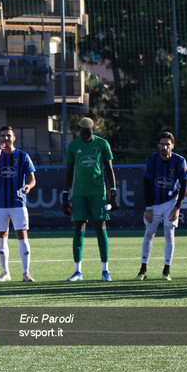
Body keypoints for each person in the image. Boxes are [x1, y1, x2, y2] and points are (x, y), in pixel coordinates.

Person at [62, 117, 118, 282]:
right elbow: (69, 171)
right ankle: (77, 271)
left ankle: (105, 270)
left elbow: (109, 169)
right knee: (78, 228)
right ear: (79, 131)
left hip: (98, 194)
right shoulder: (73, 146)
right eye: (82, 132)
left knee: (101, 227)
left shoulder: (102, 144)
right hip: (79, 193)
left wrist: (113, 194)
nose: (85, 135)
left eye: (88, 132)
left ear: (93, 130)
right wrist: (65, 195)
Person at [0, 126, 37, 282]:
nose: (5, 139)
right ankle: (5, 272)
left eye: (8, 136)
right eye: (3, 136)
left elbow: (32, 179)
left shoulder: (22, 156)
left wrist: (29, 186)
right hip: (0, 204)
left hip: (18, 203)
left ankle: (26, 273)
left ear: (14, 138)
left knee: (22, 235)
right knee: (1, 236)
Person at [137, 132, 187, 281]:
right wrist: (148, 207)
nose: (165, 147)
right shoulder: (151, 160)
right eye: (162, 144)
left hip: (171, 203)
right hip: (154, 204)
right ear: (158, 145)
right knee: (149, 233)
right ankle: (143, 269)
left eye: (168, 144)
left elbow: (184, 185)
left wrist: (177, 207)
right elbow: (146, 184)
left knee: (169, 234)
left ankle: (166, 270)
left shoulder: (179, 161)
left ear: (173, 145)